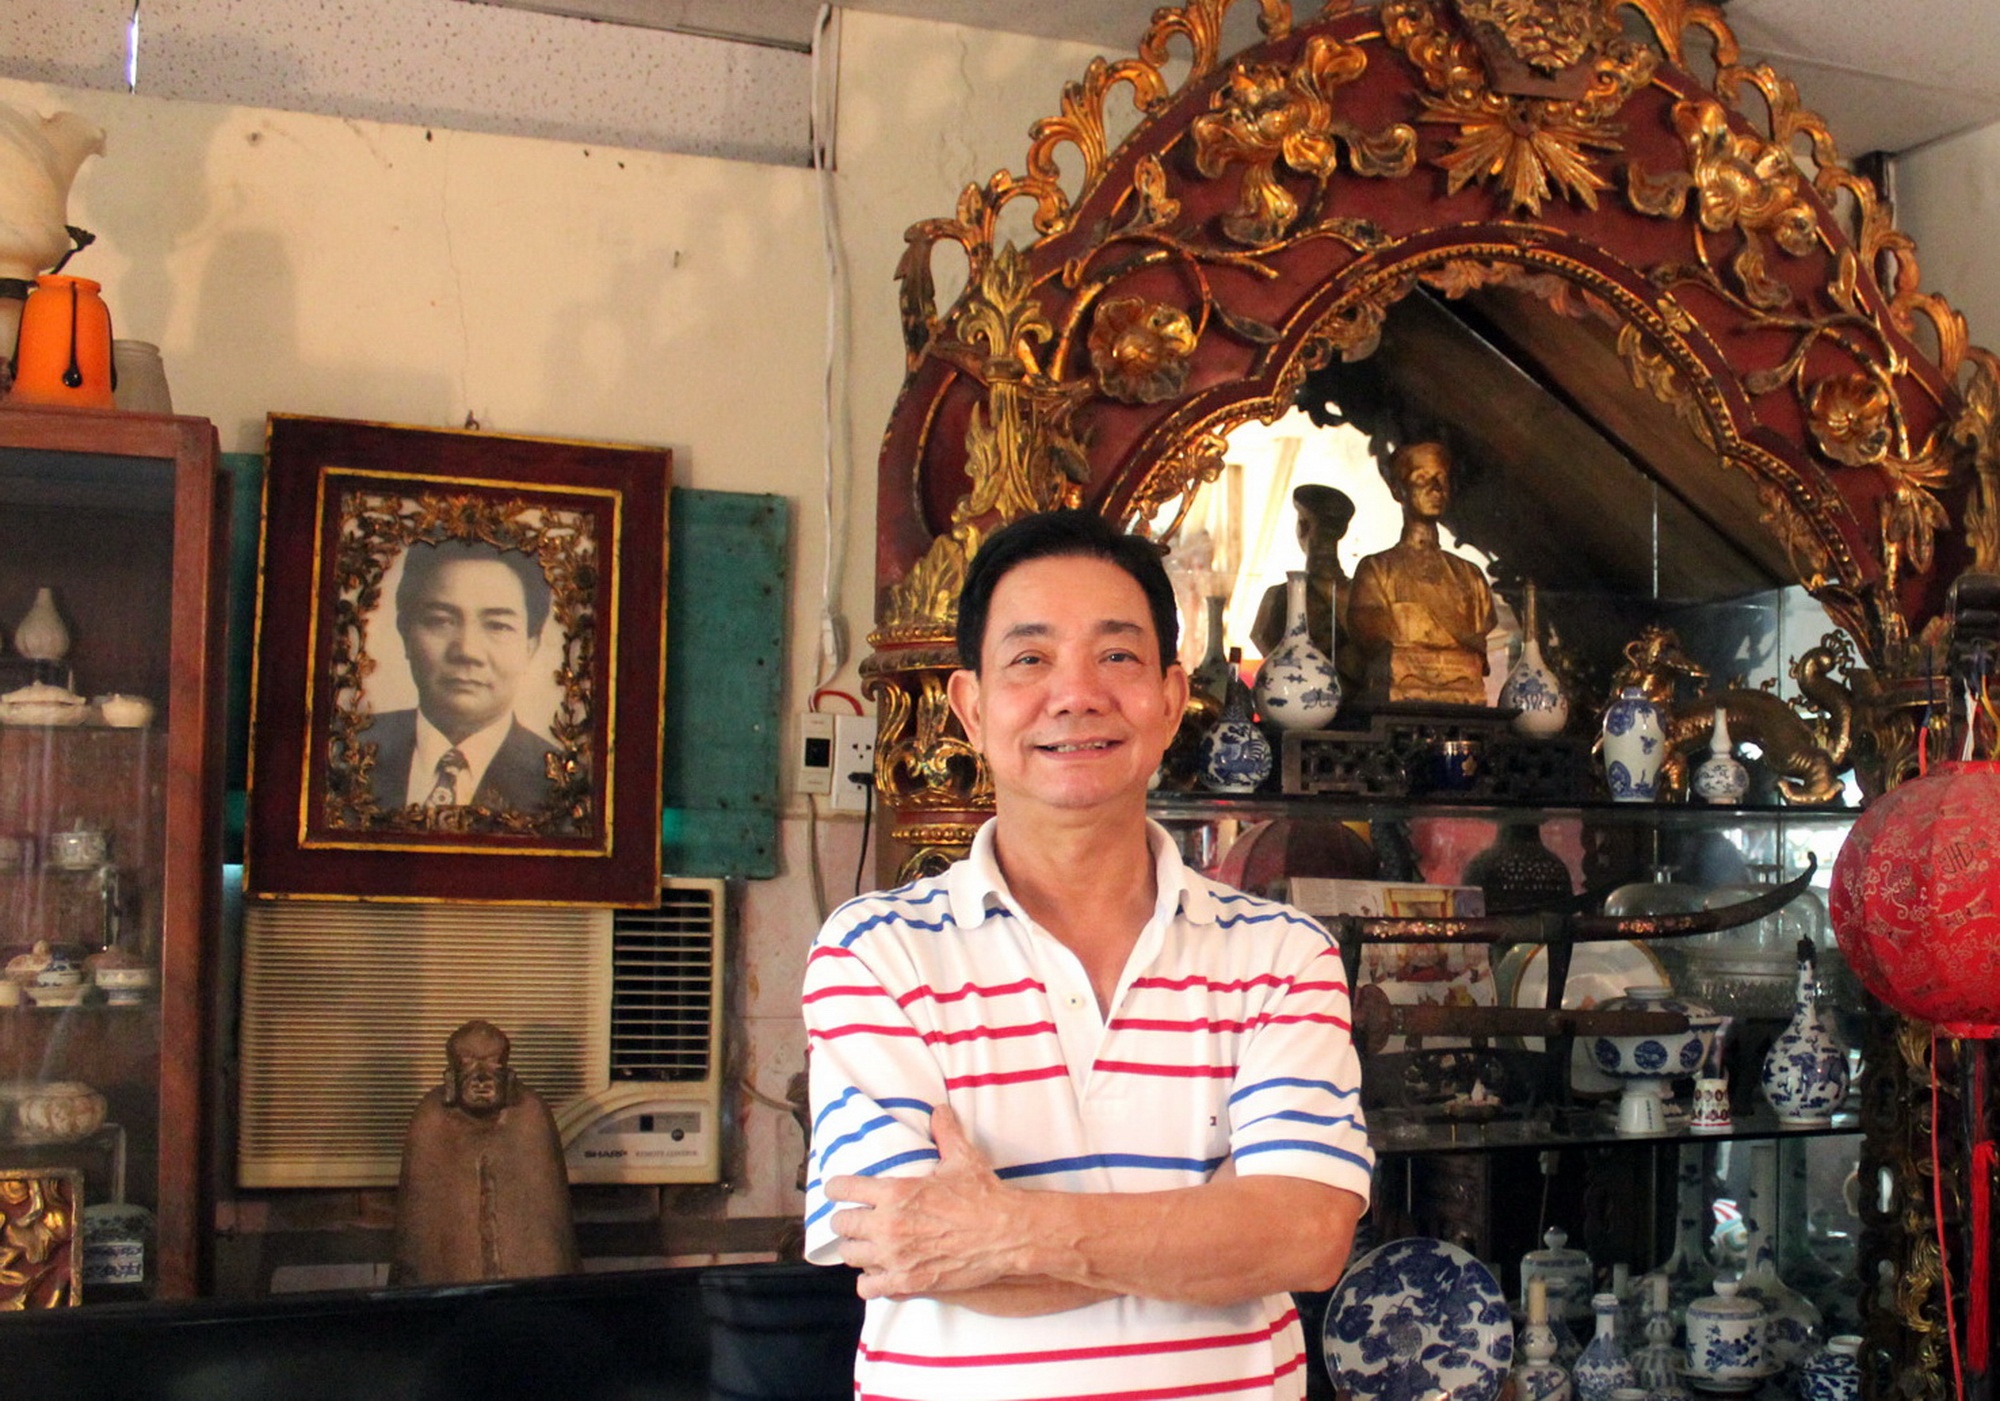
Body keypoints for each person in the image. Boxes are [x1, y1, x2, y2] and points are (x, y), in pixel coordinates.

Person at [802, 510, 1372, 1401]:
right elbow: (905, 1245)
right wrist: (1213, 1229)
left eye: (1116, 655)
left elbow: (1304, 1236)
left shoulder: (1283, 956)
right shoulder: (875, 955)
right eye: (1030, 658)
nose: (1075, 694)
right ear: (971, 706)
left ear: (1172, 699)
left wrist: (1003, 1229)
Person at [364, 538, 561, 814]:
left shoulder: (561, 781)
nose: (467, 651)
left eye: (497, 626)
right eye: (441, 621)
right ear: (406, 634)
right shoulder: (346, 749)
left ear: (530, 647)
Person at [390, 1019, 579, 1285]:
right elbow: (418, 1232)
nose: (480, 1077)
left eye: (492, 1062)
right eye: (468, 1061)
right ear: (452, 1074)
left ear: (508, 1071)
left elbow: (548, 1229)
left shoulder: (530, 1113)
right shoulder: (431, 1117)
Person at [1346, 440, 1497, 706]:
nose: (1436, 488)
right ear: (1398, 490)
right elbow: (1372, 634)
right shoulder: (1375, 570)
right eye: (1421, 478)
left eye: (1441, 478)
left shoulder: (1470, 575)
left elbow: (1481, 628)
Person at [1250, 482, 1358, 683]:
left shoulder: (1277, 598)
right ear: (1342, 531)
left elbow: (1262, 638)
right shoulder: (1363, 595)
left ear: (1302, 527)